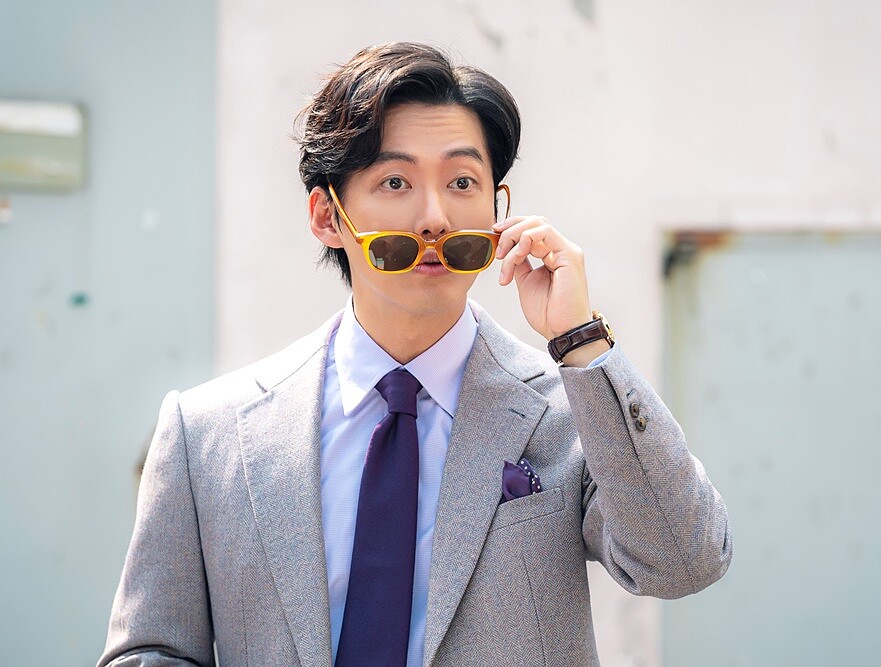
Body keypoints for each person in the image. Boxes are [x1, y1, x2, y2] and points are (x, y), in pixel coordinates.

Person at [99, 41, 732, 667]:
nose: (434, 217)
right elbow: (152, 649)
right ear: (327, 216)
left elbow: (685, 561)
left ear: (497, 210)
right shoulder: (206, 432)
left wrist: (580, 339)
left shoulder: (572, 411)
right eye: (395, 181)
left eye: (462, 182)